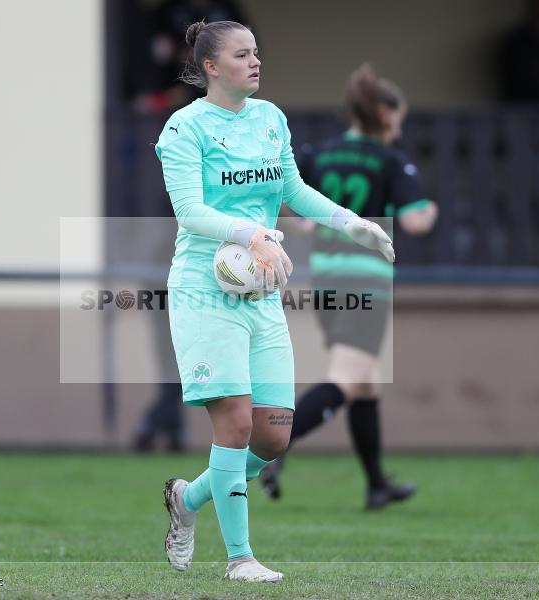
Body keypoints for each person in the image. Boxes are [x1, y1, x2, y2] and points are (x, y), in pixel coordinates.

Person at [154, 22, 395, 582]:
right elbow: (189, 211)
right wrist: (250, 234)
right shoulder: (184, 127)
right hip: (205, 291)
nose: (256, 62)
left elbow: (292, 190)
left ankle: (187, 500)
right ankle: (240, 559)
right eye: (242, 55)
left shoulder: (270, 119)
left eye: (257, 52)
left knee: (274, 434)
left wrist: (352, 224)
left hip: (262, 290)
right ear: (212, 67)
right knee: (235, 425)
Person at [260, 63, 438, 510]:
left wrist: (304, 229)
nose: (398, 132)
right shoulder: (391, 161)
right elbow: (415, 221)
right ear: (383, 113)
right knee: (345, 379)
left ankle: (377, 485)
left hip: (327, 282)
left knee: (366, 382)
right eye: (397, 121)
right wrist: (431, 209)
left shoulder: (319, 154)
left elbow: (281, 205)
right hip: (368, 285)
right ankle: (270, 449)